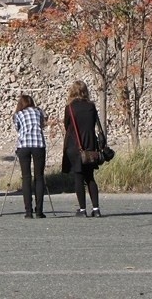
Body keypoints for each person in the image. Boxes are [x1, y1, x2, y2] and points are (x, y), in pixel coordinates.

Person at [62, 80, 101, 217]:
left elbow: (67, 125)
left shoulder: (70, 108)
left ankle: (82, 209)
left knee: (78, 177)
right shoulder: (91, 106)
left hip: (75, 145)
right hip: (90, 145)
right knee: (90, 177)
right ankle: (96, 209)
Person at [13, 94, 47, 218]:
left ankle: (28, 211)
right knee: (39, 177)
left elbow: (18, 128)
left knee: (26, 177)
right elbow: (43, 125)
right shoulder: (39, 111)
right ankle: (39, 211)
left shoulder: (18, 114)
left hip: (24, 146)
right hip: (38, 144)